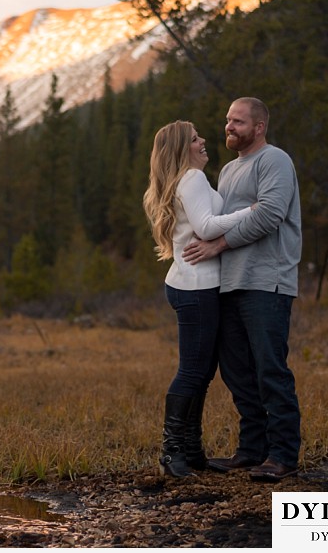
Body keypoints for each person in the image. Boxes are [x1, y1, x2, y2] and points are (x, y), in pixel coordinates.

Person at [182, 97, 302, 482]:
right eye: (227, 120)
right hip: (230, 283)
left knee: (270, 369)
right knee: (237, 373)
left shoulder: (274, 161)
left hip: (267, 281)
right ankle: (251, 451)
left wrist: (218, 246)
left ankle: (282, 455)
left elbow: (269, 214)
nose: (228, 127)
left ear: (259, 126)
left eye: (238, 121)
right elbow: (217, 220)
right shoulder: (231, 169)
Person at [143, 120, 255, 478]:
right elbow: (206, 227)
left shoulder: (190, 179)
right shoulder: (190, 179)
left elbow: (204, 225)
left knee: (202, 371)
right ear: (182, 149)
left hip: (195, 284)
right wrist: (252, 211)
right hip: (195, 287)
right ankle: (171, 451)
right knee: (193, 371)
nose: (203, 141)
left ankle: (191, 451)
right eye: (194, 139)